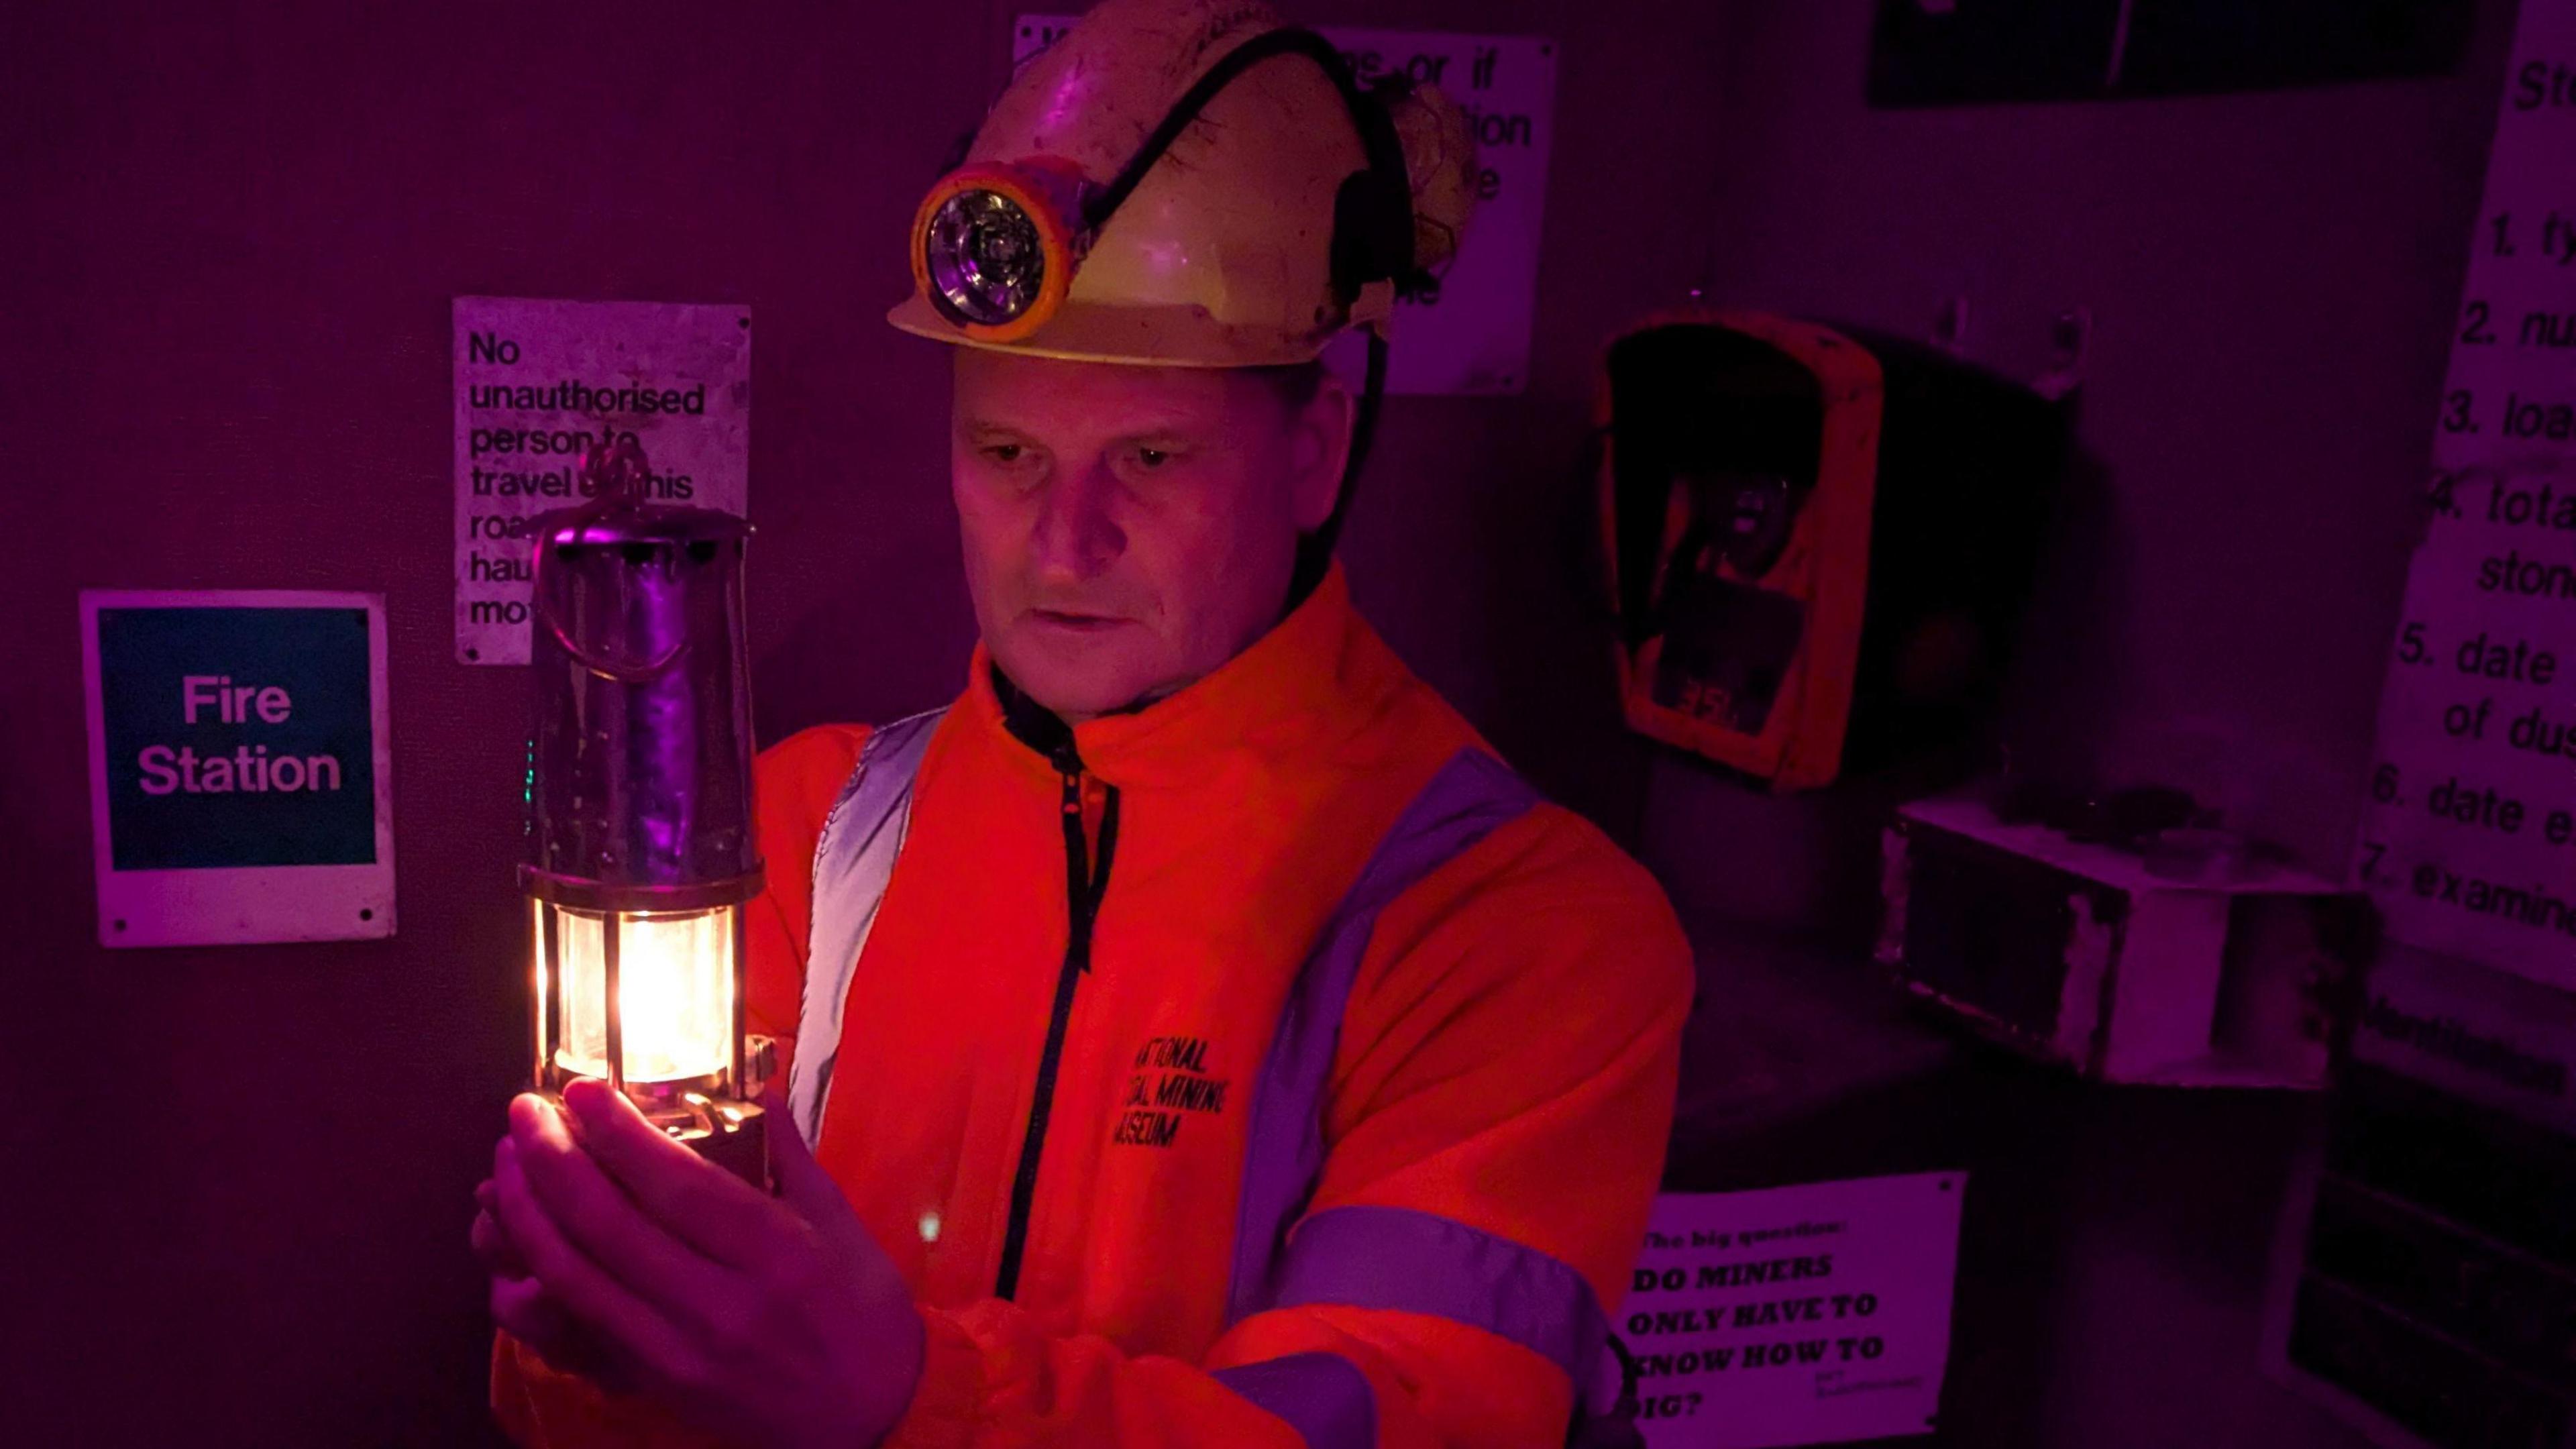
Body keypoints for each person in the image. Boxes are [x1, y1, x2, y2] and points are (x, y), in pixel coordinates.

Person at [473, 1, 1694, 1444]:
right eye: (1008, 453)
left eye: (1153, 457)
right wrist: (591, 1339)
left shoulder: (1521, 934)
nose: (1064, 542)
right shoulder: (804, 838)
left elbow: (1397, 1418)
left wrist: (900, 1404)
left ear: (1315, 453)